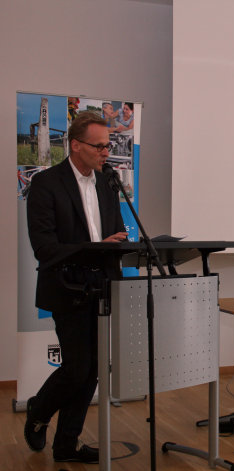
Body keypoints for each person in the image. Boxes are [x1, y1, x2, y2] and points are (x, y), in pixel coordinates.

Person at [24, 111, 128, 463]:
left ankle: (67, 443)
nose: (105, 153)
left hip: (102, 287)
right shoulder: (46, 184)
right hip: (67, 287)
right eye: (99, 146)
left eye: (108, 145)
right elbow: (44, 247)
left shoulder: (107, 184)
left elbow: (114, 237)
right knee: (77, 368)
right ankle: (39, 409)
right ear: (76, 146)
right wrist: (96, 248)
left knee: (94, 369)